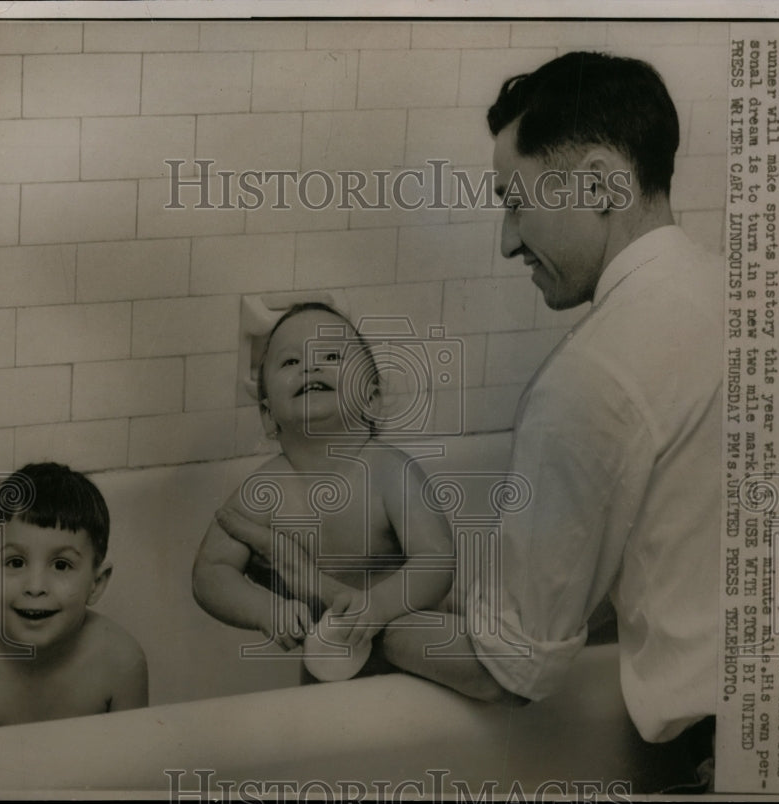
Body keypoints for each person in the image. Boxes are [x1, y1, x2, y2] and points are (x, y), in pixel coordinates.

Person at [380, 51, 722, 783]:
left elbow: (510, 670)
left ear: (600, 183)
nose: (507, 240)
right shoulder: (746, 296)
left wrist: (371, 625)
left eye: (515, 200)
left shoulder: (590, 378)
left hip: (723, 760)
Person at [191, 302, 453, 677]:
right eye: (290, 362)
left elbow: (438, 559)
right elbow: (209, 571)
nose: (310, 367)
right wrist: (264, 608)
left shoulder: (389, 472)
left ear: (372, 398)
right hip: (328, 662)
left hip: (413, 656)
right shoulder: (268, 488)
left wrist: (378, 605)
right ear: (268, 416)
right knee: (325, 731)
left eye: (330, 355)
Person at [0, 462, 148, 729]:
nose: (35, 587)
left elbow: (132, 763)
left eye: (61, 565)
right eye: (16, 562)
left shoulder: (121, 662)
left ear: (97, 583)